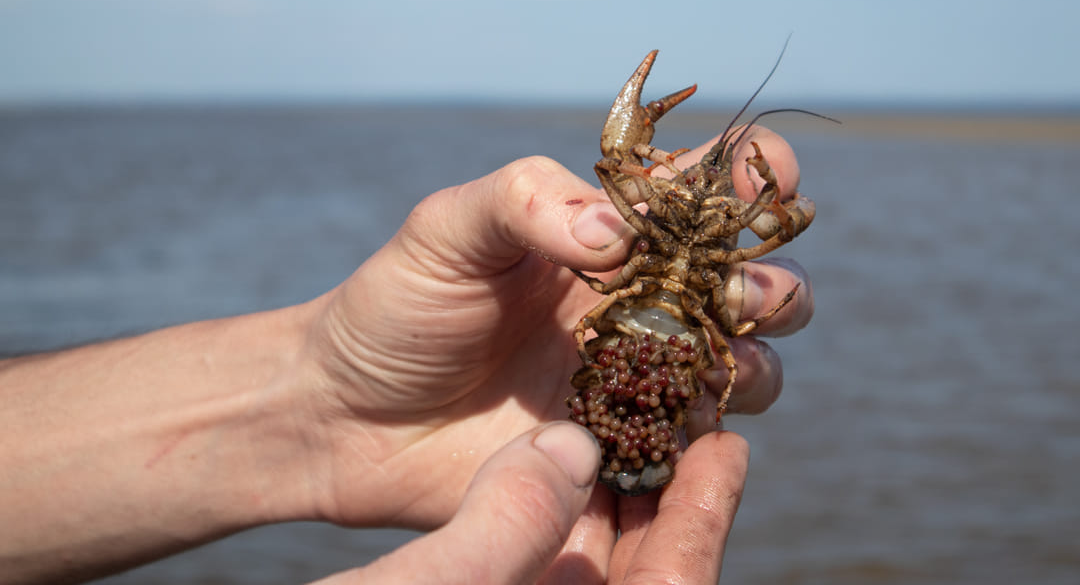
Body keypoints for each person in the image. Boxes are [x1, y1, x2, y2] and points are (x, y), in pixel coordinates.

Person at [0, 126, 814, 585]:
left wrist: (309, 405)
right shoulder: (677, 230)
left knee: (744, 340)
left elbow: (771, 218)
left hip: (644, 337)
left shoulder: (662, 236)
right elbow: (774, 214)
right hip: (641, 331)